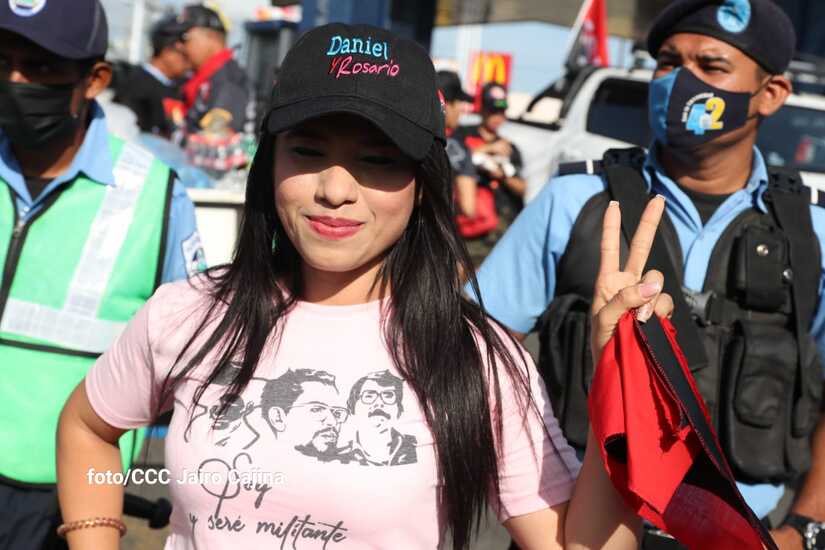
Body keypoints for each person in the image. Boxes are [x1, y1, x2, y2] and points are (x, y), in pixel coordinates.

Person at [55, 22, 672, 550]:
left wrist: (618, 384)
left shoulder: (478, 359)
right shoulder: (190, 311)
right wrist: (92, 532)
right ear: (269, 163)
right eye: (307, 151)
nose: (335, 190)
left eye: (377, 161)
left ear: (423, 185)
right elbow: (87, 427)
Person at [470, 1, 825, 548]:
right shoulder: (575, 199)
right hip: (579, 530)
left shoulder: (811, 231)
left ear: (771, 93)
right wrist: (532, 504)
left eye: (711, 66)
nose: (680, 81)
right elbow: (474, 357)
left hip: (740, 535)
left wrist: (803, 529)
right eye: (668, 62)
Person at [0, 0, 204, 548]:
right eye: (2, 63)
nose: (15, 81)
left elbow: (194, 356)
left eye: (41, 67)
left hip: (65, 493)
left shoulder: (155, 195)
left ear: (94, 80)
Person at [454, 81, 527, 265]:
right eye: (492, 110)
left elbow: (523, 188)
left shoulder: (509, 148)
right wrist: (487, 150)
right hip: (467, 227)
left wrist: (502, 175)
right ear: (482, 109)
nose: (497, 116)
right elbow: (450, 158)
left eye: (501, 111)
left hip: (501, 229)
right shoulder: (462, 135)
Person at [178, 3, 254, 175]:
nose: (181, 46)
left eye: (185, 37)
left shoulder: (227, 79)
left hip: (226, 183)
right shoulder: (207, 77)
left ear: (211, 36)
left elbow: (216, 138)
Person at [113, 15, 190, 138]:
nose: (189, 62)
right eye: (185, 55)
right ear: (168, 52)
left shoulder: (179, 86)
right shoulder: (135, 84)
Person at [436, 70, 479, 220]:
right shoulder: (458, 148)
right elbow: (468, 208)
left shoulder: (409, 134)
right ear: (447, 105)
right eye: (460, 103)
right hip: (436, 226)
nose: (461, 110)